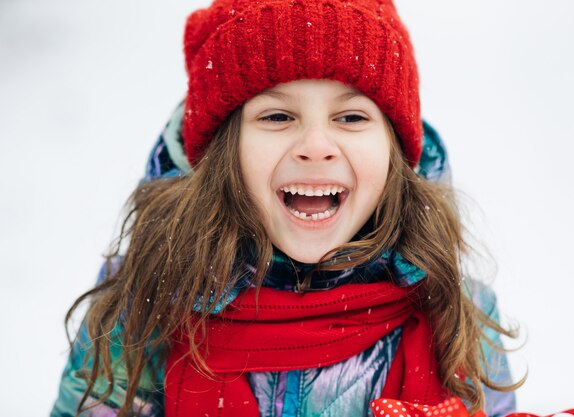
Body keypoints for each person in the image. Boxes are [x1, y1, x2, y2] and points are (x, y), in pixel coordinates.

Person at [50, 1, 521, 416]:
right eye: (277, 116)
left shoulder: (454, 310)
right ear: (222, 153)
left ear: (395, 149)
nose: (316, 146)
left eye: (351, 117)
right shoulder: (146, 301)